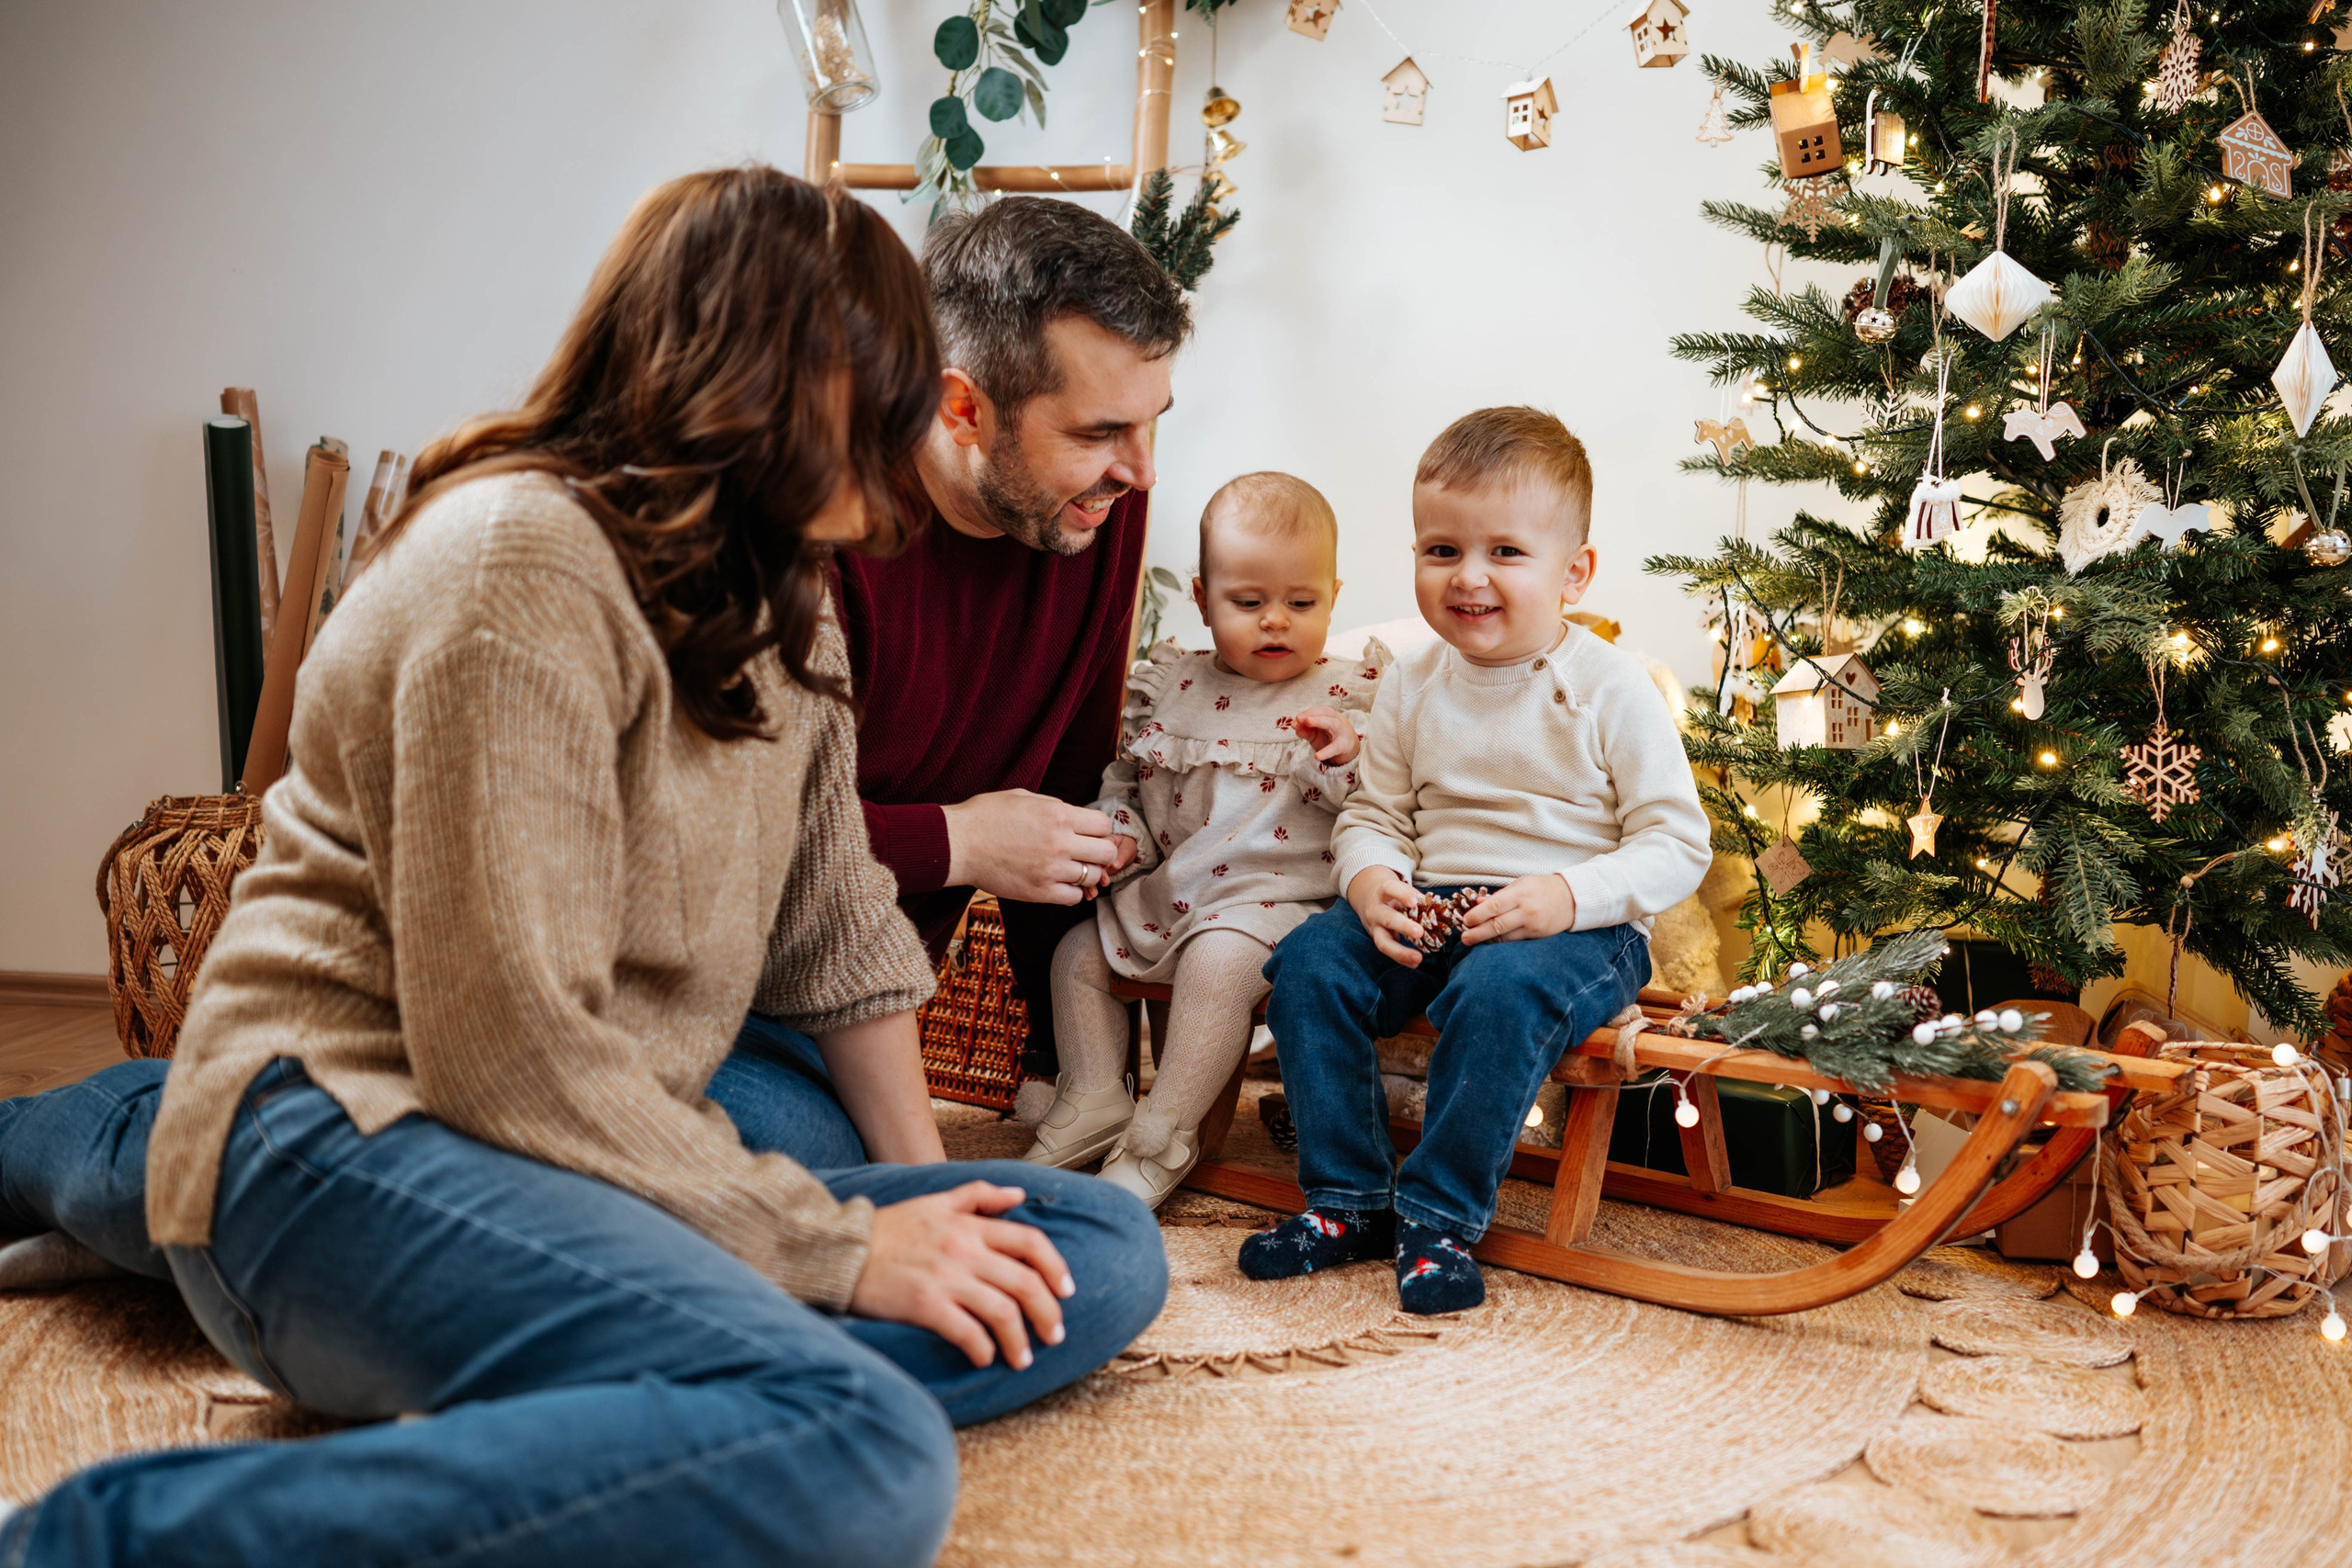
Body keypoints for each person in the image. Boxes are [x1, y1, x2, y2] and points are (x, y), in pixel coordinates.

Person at [0, 167, 1165, 1568]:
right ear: (785, 392)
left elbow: (838, 931)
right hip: (345, 1139)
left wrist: (932, 1212)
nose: (928, 433)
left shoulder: (781, 591)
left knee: (1091, 1249)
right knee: (863, 1443)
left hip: (570, 1150)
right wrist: (845, 1256)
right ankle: (89, 1540)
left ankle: (611, 1418)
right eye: (902, 394)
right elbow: (508, 1050)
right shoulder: (521, 568)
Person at [718, 197, 1192, 1169]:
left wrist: (1076, 1078)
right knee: (798, 1148)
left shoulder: (1087, 511)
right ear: (962, 407)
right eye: (1102, 431)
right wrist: (959, 840)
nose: (1139, 473)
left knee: (1100, 1245)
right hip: (724, 991)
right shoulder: (815, 522)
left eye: (1154, 425)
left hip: (864, 1013)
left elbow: (1069, 794)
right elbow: (740, 841)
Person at [1237, 407, 1712, 1314]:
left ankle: (1437, 1219)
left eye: (1504, 552)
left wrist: (1563, 897)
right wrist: (1371, 878)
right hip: (1435, 903)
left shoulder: (1609, 687)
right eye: (1442, 550)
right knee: (1309, 965)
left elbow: (1674, 843)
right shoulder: (1413, 680)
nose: (1469, 577)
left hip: (1579, 925)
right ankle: (1346, 1200)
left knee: (1498, 995)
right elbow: (1375, 812)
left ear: (1573, 574)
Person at [1023, 473, 1385, 1206]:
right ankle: (1094, 1093)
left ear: (1334, 594)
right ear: (1201, 596)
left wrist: (1349, 756)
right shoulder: (1172, 686)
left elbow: (1384, 809)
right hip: (1175, 890)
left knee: (1218, 966)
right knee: (1077, 955)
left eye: (1301, 602)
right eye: (1248, 602)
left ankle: (1165, 1131)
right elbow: (1129, 786)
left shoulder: (1351, 694)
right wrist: (1121, 839)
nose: (1276, 621)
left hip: (1277, 905)